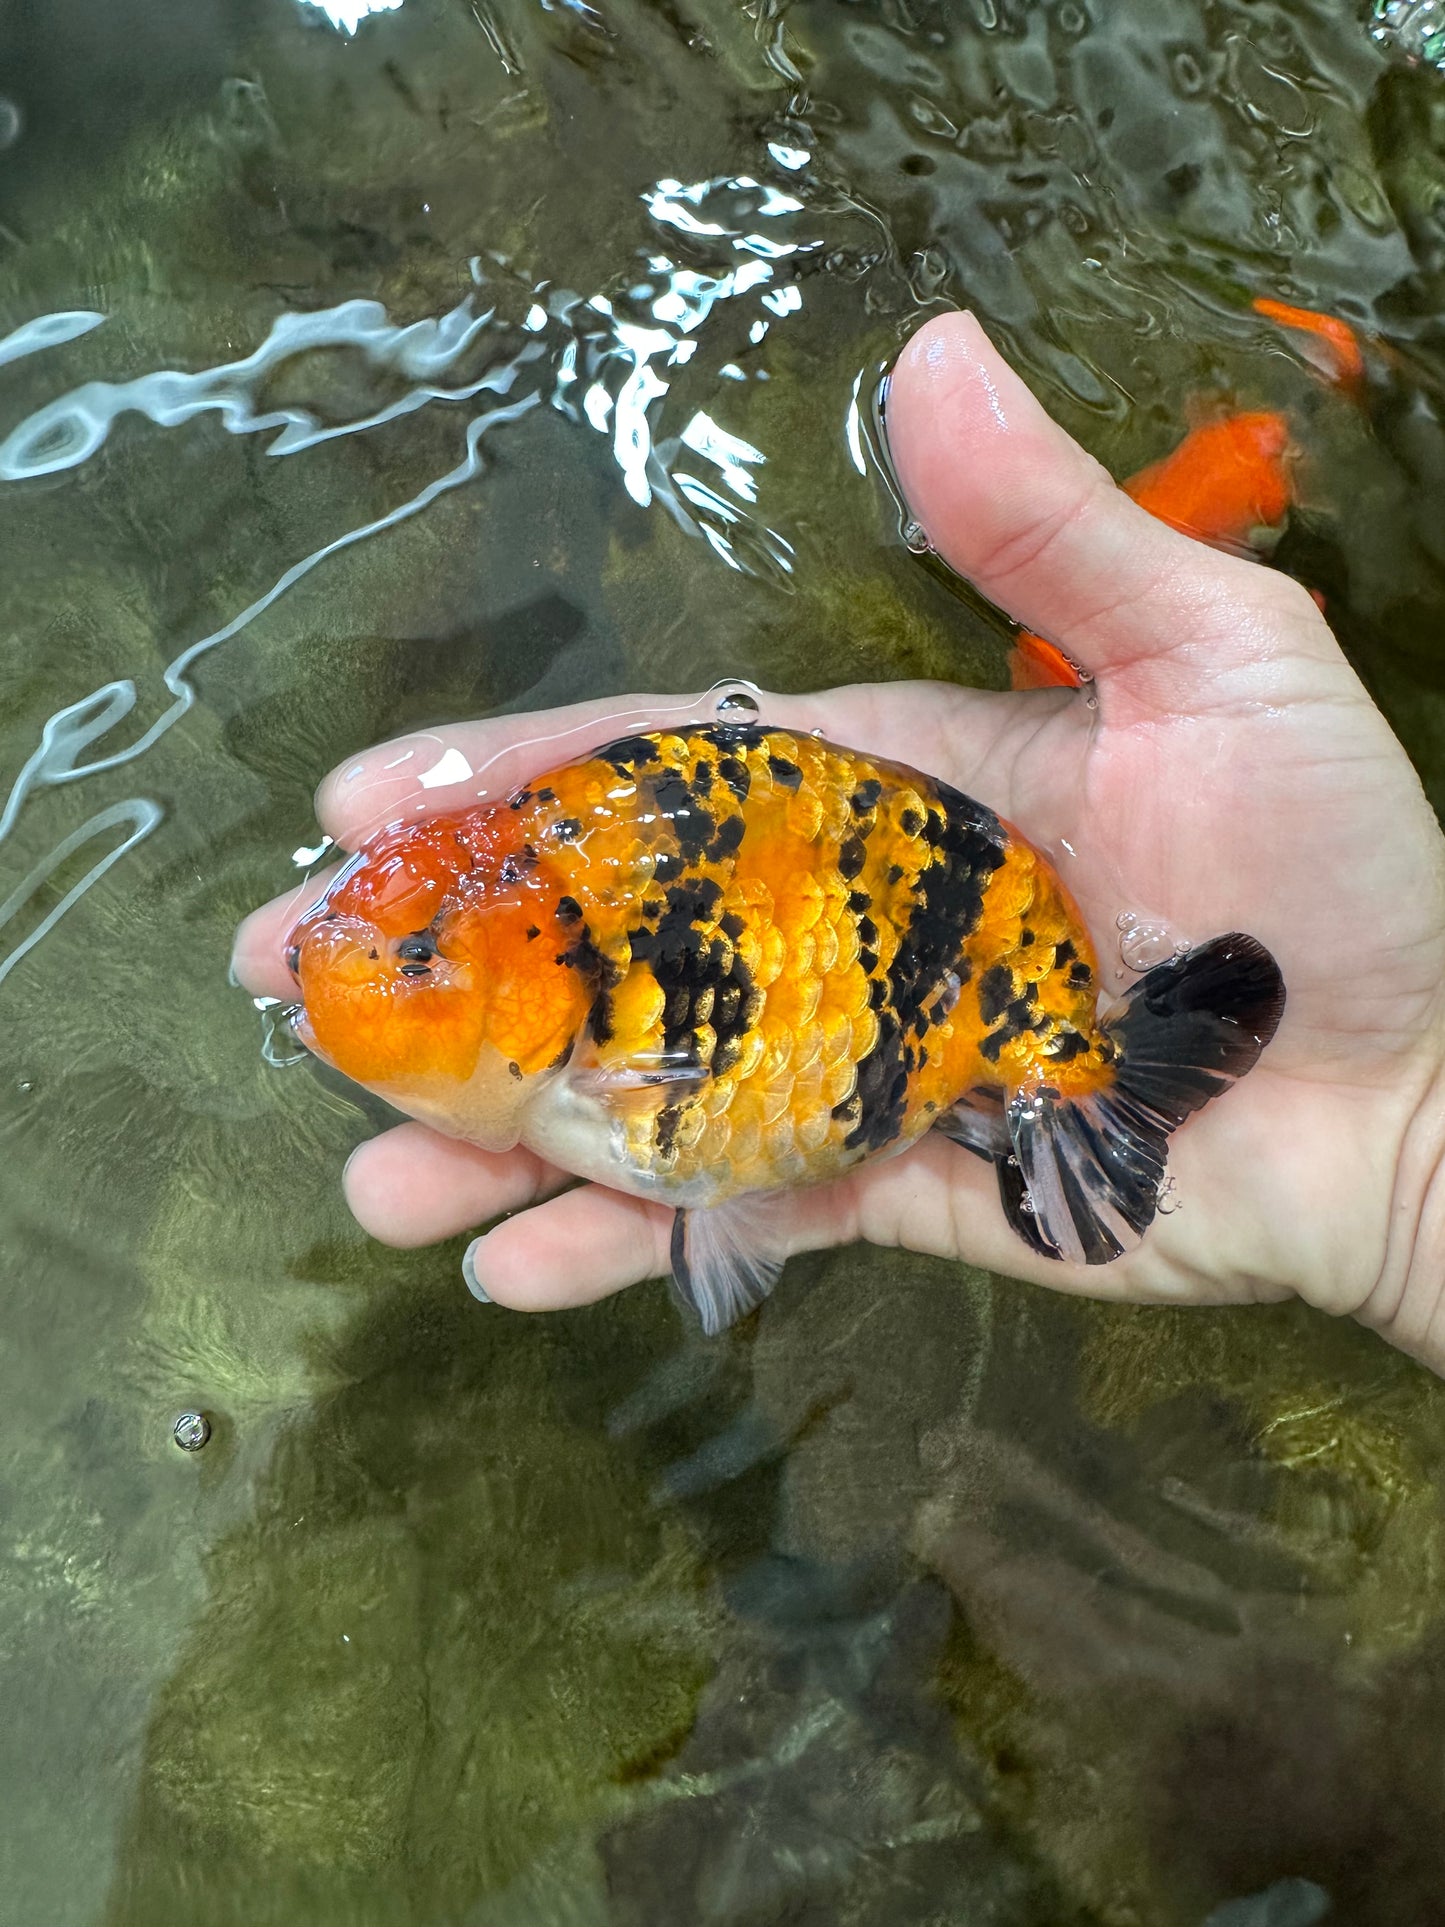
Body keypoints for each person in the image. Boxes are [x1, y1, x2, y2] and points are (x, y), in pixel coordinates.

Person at [233, 312, 1445, 1374]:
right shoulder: (558, 896)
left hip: (951, 988)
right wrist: (1398, 1191)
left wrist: (1407, 1165)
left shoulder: (597, 1016)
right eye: (402, 948)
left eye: (414, 961)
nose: (349, 961)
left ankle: (1081, 1081)